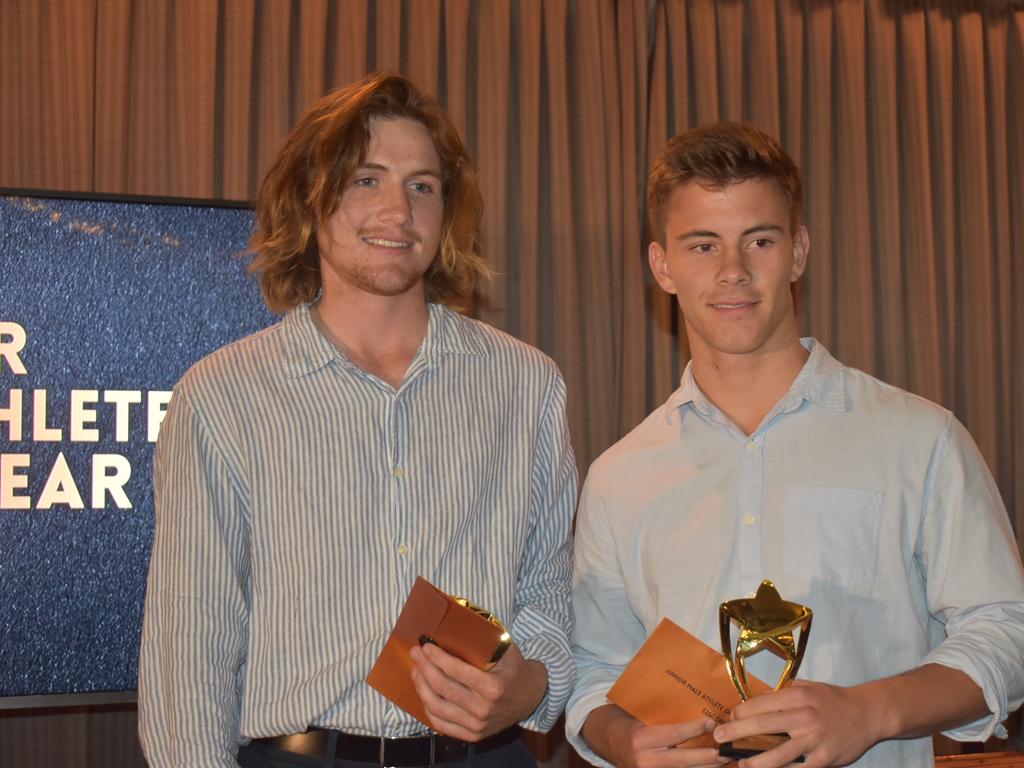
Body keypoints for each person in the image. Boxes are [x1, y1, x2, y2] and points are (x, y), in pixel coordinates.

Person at [138, 73, 577, 768]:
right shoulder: (222, 396)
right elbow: (189, 651)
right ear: (309, 200)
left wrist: (530, 686)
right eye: (366, 180)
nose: (398, 211)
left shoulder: (526, 384)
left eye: (423, 185)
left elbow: (550, 591)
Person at [566, 121, 1024, 768]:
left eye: (759, 240)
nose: (733, 271)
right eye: (702, 245)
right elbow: (594, 668)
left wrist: (869, 710)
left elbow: (1007, 631)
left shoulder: (921, 440)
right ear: (661, 266)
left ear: (799, 252)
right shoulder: (618, 476)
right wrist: (625, 742)